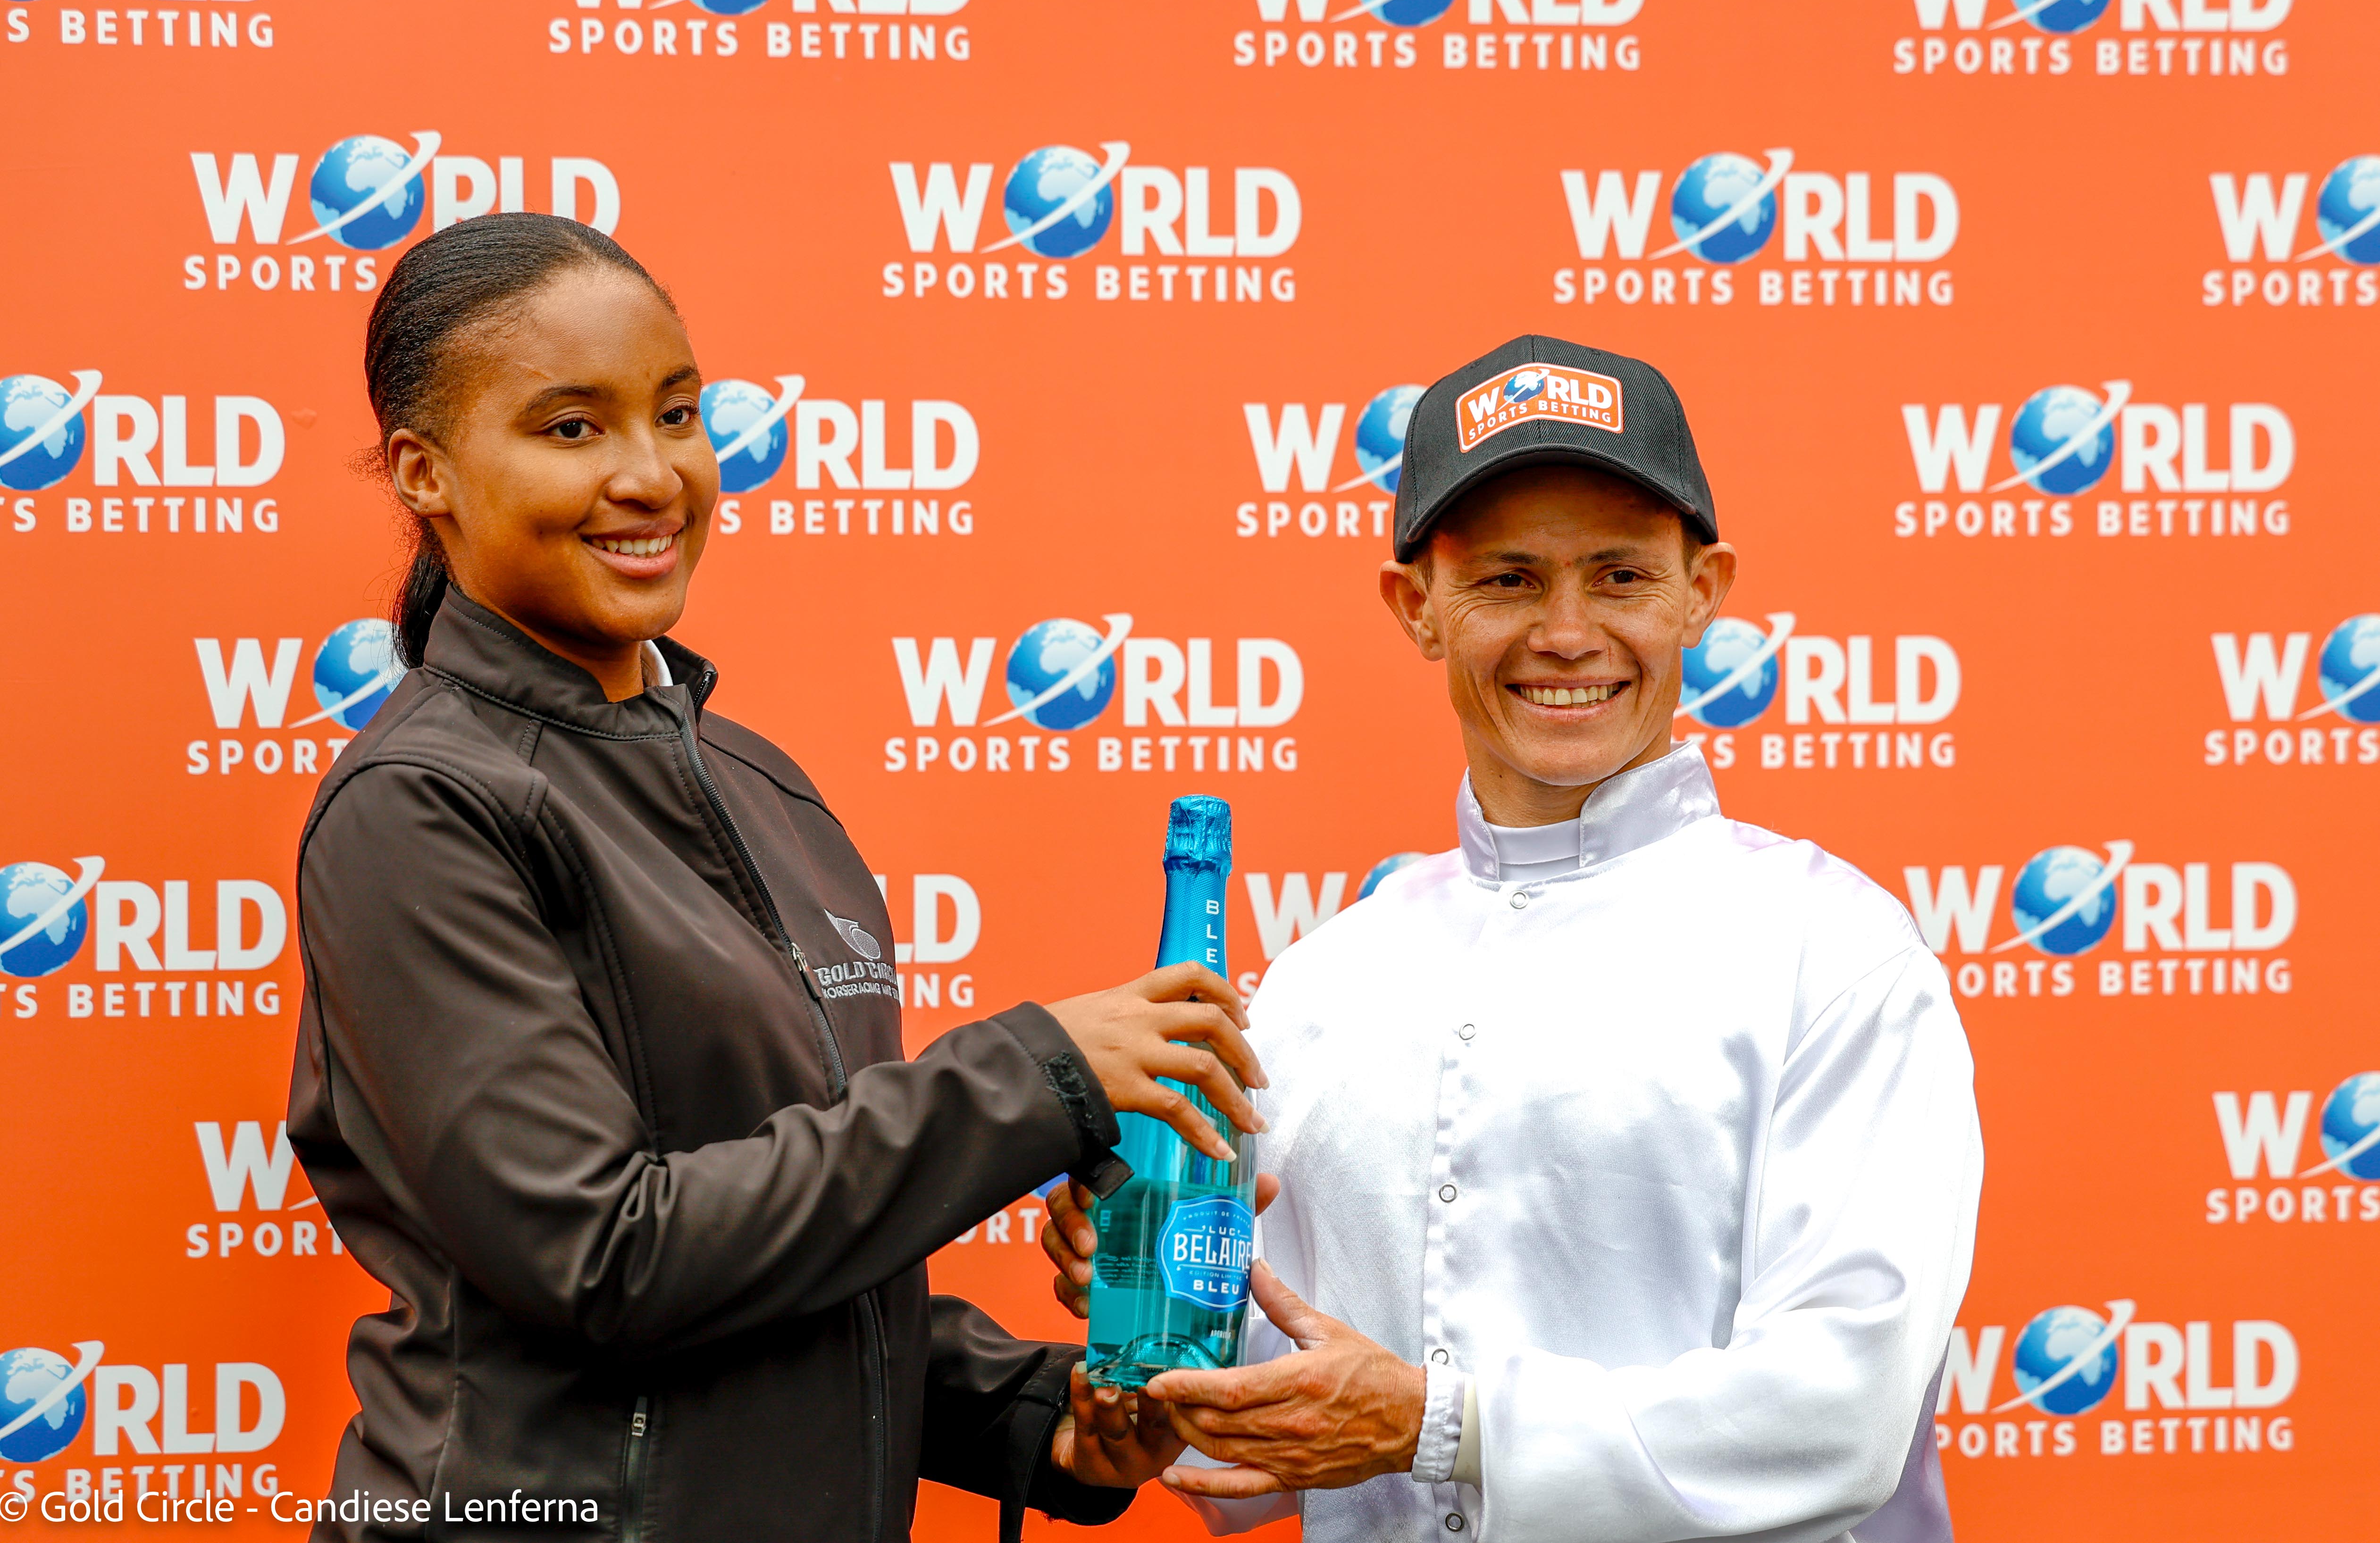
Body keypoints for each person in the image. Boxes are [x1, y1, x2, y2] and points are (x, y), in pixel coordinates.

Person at [285, 212, 1266, 1543]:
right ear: (426, 473)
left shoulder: (765, 789)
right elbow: (608, 1259)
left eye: (677, 414)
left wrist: (1053, 1420)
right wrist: (1035, 1077)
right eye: (572, 428)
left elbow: (798, 1260)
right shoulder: (419, 805)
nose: (652, 475)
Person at [1043, 335, 1985, 1542]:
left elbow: (1839, 1412)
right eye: (1506, 580)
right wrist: (1162, 1345)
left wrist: (1446, 1425)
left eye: (1619, 576)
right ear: (1417, 608)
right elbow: (1274, 1435)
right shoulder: (1319, 986)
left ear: (1702, 591)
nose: (1567, 631)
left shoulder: (1834, 952)